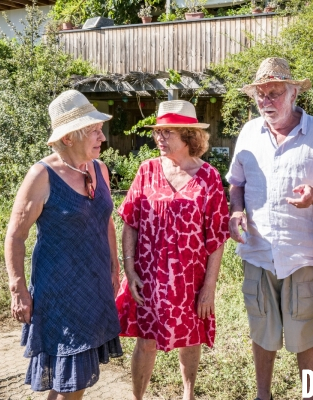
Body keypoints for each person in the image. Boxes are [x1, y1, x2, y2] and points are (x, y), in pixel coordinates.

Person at [226, 57, 313, 400]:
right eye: (260, 95)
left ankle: (310, 396)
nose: (266, 101)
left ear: (293, 93)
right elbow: (236, 183)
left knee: (307, 334)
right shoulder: (249, 133)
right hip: (259, 253)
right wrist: (237, 214)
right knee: (262, 331)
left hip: (302, 256)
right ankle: (263, 395)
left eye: (274, 93)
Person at [4, 89, 122, 400]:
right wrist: (18, 289)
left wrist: (114, 263)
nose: (102, 137)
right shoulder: (41, 176)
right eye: (93, 131)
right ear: (68, 138)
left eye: (100, 129)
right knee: (70, 377)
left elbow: (106, 218)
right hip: (60, 292)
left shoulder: (99, 169)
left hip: (94, 284)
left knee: (73, 379)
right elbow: (15, 235)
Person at [115, 100, 230, 400]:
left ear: (189, 136)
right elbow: (130, 221)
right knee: (146, 340)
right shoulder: (147, 170)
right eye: (158, 132)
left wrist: (209, 286)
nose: (159, 138)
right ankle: (137, 397)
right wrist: (129, 268)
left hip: (190, 279)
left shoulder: (209, 177)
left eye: (168, 132)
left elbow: (217, 237)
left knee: (190, 338)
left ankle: (188, 394)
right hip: (149, 276)